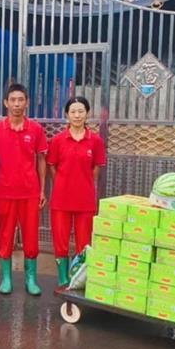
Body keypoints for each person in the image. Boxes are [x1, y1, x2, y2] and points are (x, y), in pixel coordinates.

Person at [0, 83, 47, 295]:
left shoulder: (36, 129)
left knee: (31, 236)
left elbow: (41, 159)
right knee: (5, 234)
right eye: (12, 100)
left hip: (30, 191)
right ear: (5, 103)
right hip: (4, 191)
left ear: (27, 102)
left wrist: (42, 190)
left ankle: (31, 278)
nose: (17, 104)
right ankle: (6, 278)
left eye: (21, 100)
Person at [46, 96, 107, 286]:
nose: (77, 115)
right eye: (73, 111)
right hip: (61, 199)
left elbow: (96, 168)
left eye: (81, 111)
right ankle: (63, 277)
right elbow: (52, 166)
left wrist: (84, 183)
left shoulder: (95, 141)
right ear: (67, 114)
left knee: (84, 242)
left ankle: (79, 278)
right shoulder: (58, 140)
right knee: (60, 240)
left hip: (85, 200)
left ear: (87, 114)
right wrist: (62, 182)